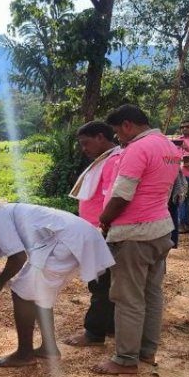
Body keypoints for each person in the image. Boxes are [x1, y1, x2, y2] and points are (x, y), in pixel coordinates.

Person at [0, 198, 114, 368]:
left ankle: (25, 354)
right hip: (76, 237)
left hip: (66, 240)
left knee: (21, 292)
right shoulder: (1, 213)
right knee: (39, 294)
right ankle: (48, 348)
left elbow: (18, 257)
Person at [92, 104, 181, 376]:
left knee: (128, 297)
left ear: (128, 125)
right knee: (152, 294)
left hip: (133, 234)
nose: (119, 138)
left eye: (118, 132)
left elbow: (122, 195)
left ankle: (125, 359)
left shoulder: (137, 149)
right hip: (161, 229)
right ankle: (146, 351)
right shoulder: (168, 146)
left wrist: (104, 220)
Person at [64, 121, 121, 348]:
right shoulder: (103, 160)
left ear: (100, 137)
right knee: (103, 281)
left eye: (86, 143)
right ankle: (108, 325)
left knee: (100, 283)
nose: (83, 149)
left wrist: (103, 226)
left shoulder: (113, 161)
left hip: (102, 231)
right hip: (94, 230)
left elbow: (113, 197)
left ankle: (94, 332)